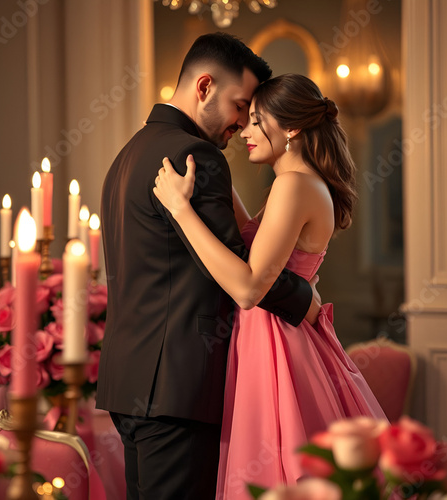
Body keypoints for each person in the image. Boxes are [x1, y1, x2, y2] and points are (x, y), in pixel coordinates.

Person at [96, 34, 321, 500]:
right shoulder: (196, 157)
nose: (242, 124)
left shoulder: (129, 154)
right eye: (241, 106)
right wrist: (305, 297)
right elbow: (243, 275)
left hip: (127, 382)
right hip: (179, 388)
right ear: (203, 87)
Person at [153, 73, 387, 499]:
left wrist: (180, 209)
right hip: (276, 336)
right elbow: (252, 239)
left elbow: (247, 287)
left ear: (292, 127)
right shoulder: (297, 182)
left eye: (257, 120)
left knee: (272, 472)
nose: (245, 129)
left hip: (276, 342)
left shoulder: (294, 185)